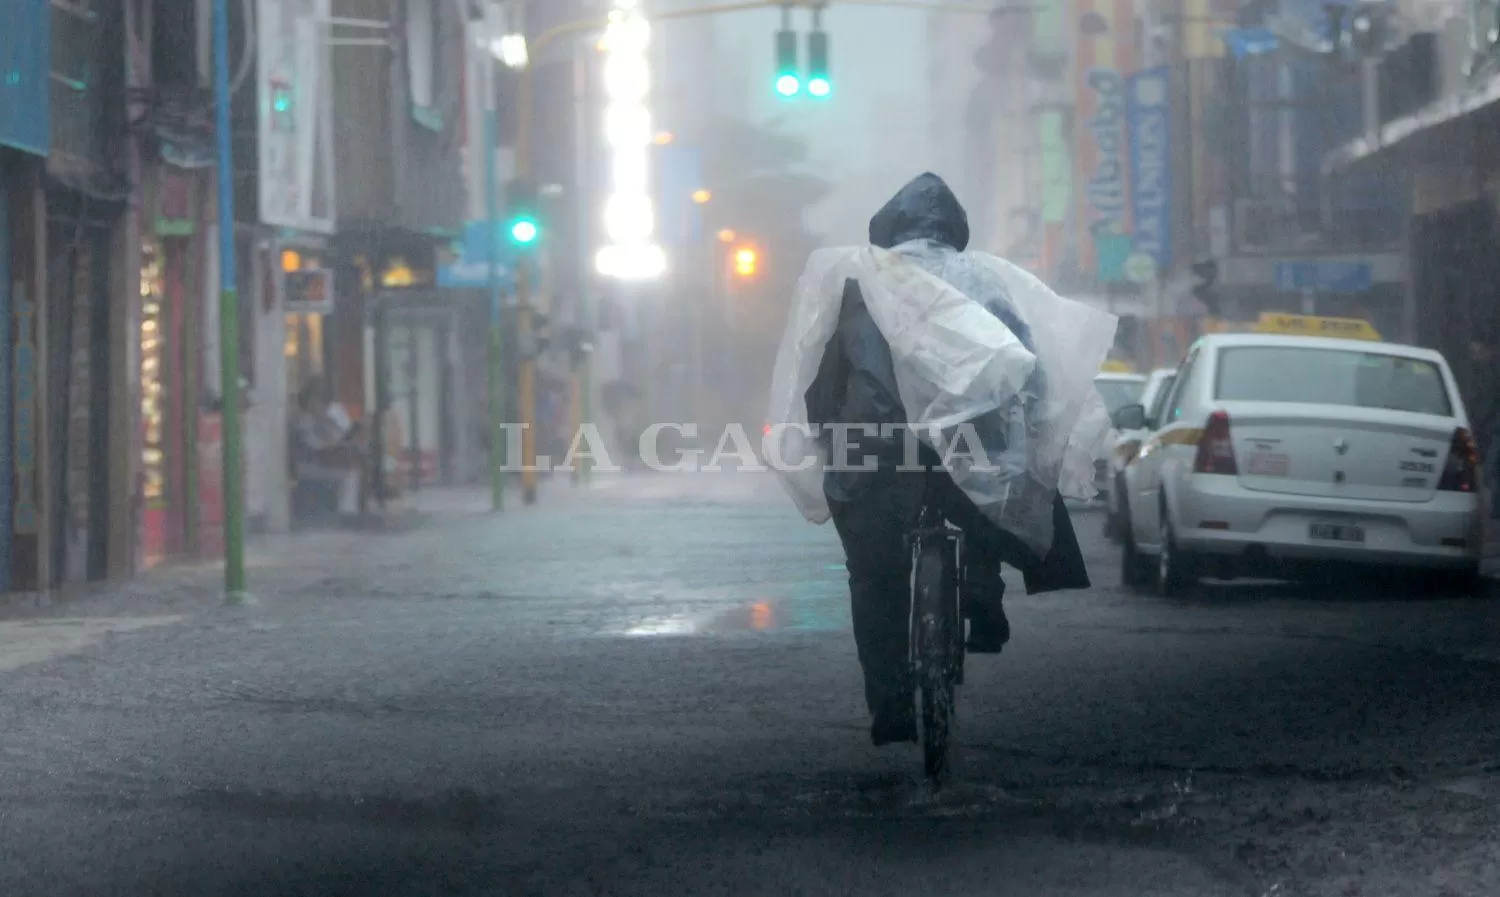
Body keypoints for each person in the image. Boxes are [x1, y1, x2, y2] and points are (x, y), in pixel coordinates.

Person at [804, 173, 1091, 746]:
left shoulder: (859, 286)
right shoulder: (984, 282)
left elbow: (824, 380)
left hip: (877, 450)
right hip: (968, 444)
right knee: (994, 497)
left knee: (874, 574)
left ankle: (889, 708)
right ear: (954, 232)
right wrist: (1032, 432)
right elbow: (1027, 371)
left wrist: (828, 437)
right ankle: (983, 602)